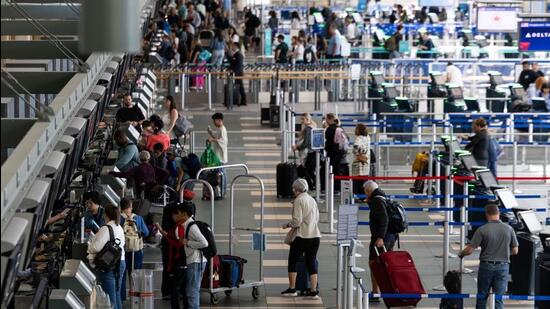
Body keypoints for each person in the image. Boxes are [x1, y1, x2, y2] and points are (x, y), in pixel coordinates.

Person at [458, 204, 519, 309]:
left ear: (486, 215)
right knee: (498, 299)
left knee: (482, 297)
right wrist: (502, 252)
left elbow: (470, 250)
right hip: (503, 267)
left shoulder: (482, 230)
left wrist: (461, 254)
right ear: (498, 213)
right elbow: (515, 250)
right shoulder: (509, 229)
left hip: (486, 266)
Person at [159, 202, 207, 309]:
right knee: (191, 290)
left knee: (192, 291)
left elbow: (204, 243)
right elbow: (178, 242)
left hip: (196, 261)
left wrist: (187, 242)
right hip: (192, 260)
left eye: (178, 213)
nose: (175, 216)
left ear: (184, 214)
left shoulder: (191, 226)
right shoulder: (182, 226)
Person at [281, 179, 321, 299]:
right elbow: (317, 217)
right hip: (315, 236)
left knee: (292, 261)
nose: (293, 190)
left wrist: (287, 225)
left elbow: (297, 221)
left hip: (303, 236)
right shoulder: (311, 199)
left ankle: (292, 288)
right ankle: (313, 291)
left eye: (293, 189)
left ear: (296, 189)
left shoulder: (299, 200)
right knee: (311, 262)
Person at [87, 204, 126, 309]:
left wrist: (89, 247)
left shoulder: (106, 228)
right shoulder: (119, 227)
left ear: (106, 215)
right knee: (117, 294)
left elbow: (95, 247)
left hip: (108, 264)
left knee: (110, 298)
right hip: (121, 263)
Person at [363, 181, 396, 303]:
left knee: (374, 264)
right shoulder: (381, 196)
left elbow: (384, 218)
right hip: (391, 236)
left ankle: (376, 293)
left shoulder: (377, 200)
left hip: (382, 237)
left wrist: (380, 237)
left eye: (365, 192)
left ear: (368, 191)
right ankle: (391, 292)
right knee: (385, 264)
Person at [119, 198, 149, 302]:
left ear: (121, 208)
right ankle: (136, 296)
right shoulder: (138, 218)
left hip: (122, 252)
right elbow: (146, 232)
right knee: (136, 274)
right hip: (136, 250)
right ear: (131, 207)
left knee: (122, 276)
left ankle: (121, 297)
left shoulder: (118, 219)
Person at [292, 113, 317, 189]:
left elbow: (306, 143)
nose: (301, 121)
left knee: (305, 170)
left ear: (307, 119)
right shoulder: (312, 127)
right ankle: (316, 185)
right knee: (310, 171)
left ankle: (311, 186)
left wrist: (297, 148)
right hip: (313, 152)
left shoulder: (308, 129)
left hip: (310, 152)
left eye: (303, 119)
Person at [324, 113, 346, 190]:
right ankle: (338, 188)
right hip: (340, 153)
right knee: (338, 171)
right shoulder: (340, 127)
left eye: (326, 119)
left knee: (331, 171)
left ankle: (333, 188)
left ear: (330, 119)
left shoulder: (329, 129)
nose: (325, 121)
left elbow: (328, 143)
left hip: (332, 154)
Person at [351, 124, 370, 194]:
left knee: (357, 181)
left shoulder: (359, 138)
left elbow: (356, 147)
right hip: (366, 162)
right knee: (364, 180)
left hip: (358, 163)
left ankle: (358, 195)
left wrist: (357, 153)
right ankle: (364, 195)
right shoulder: (368, 137)